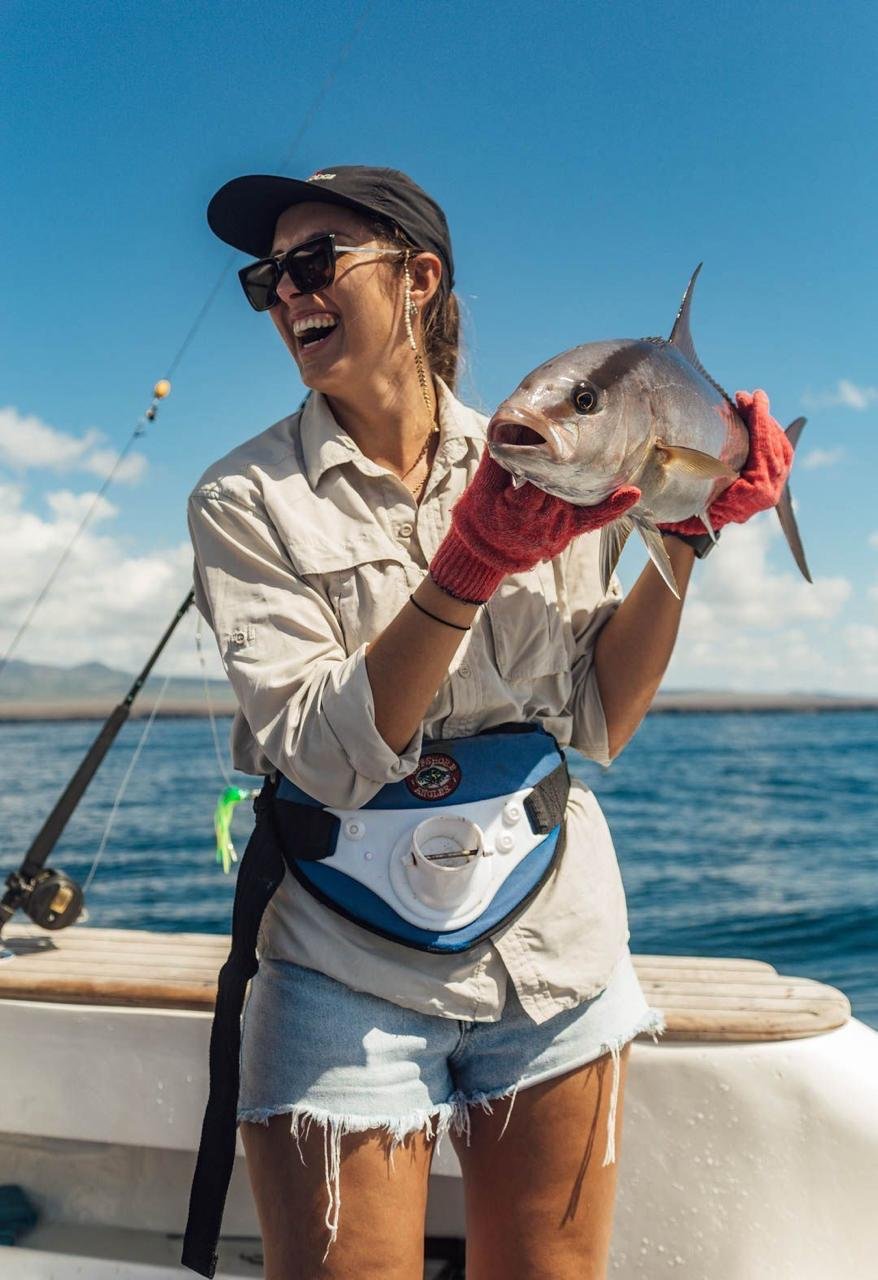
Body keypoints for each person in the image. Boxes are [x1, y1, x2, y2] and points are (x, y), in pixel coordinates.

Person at [183, 166, 794, 1280]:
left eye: (314, 262)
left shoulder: (556, 453)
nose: (284, 293)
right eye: (265, 277)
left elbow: (599, 714)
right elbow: (320, 753)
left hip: (552, 950)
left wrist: (687, 535)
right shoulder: (242, 500)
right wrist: (467, 567)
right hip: (337, 959)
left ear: (419, 278)